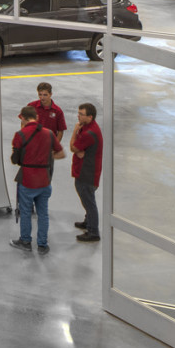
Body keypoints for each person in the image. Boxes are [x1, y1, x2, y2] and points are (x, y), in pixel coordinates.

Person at [10, 101, 63, 252]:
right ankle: (42, 244)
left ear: (24, 119)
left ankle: (26, 241)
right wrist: (46, 157)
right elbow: (61, 153)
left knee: (26, 212)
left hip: (27, 180)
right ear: (37, 117)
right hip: (45, 180)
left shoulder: (20, 135)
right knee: (43, 213)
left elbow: (14, 159)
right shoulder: (49, 133)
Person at [70, 101, 103, 243]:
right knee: (86, 199)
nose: (78, 116)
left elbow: (73, 147)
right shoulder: (88, 128)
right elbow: (78, 150)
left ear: (90, 117)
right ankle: (88, 222)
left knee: (89, 202)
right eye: (78, 113)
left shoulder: (89, 132)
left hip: (87, 173)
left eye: (81, 114)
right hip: (85, 170)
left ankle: (93, 231)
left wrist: (74, 131)